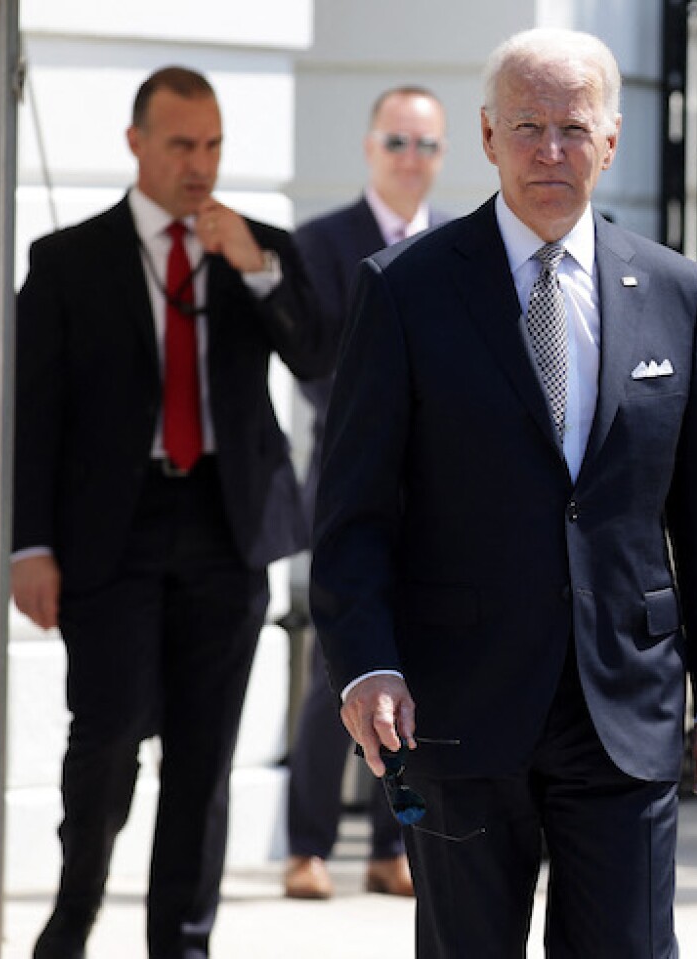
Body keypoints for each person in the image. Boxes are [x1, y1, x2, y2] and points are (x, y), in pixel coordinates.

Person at [311, 28, 697, 958]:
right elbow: (354, 512)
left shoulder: (679, 292)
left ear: (611, 138)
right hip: (457, 710)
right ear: (485, 137)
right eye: (527, 127)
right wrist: (365, 665)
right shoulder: (405, 291)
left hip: (625, 714)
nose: (550, 150)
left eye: (572, 127)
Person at [12, 66, 329, 958]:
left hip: (228, 527)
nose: (200, 164)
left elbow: (317, 353)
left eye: (214, 145)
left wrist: (257, 269)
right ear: (137, 144)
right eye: (182, 144)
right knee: (108, 735)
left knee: (203, 759)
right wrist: (28, 545)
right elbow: (34, 417)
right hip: (113, 527)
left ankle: (182, 944)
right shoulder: (67, 260)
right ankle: (74, 910)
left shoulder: (257, 248)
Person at [282, 86, 451, 903]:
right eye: (398, 142)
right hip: (351, 490)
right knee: (335, 669)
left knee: (417, 669)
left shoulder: (459, 250)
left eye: (426, 146)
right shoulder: (322, 245)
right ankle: (308, 843)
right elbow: (315, 370)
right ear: (368, 148)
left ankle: (394, 844)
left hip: (438, 496)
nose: (411, 160)